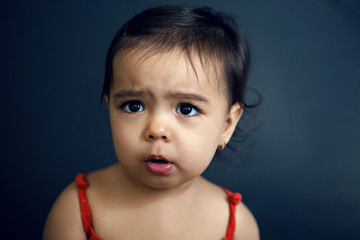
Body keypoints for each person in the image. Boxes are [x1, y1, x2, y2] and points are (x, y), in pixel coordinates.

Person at [43, 5, 260, 240]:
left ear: (226, 126)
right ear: (110, 109)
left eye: (186, 109)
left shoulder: (236, 225)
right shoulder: (78, 208)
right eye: (133, 106)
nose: (156, 130)